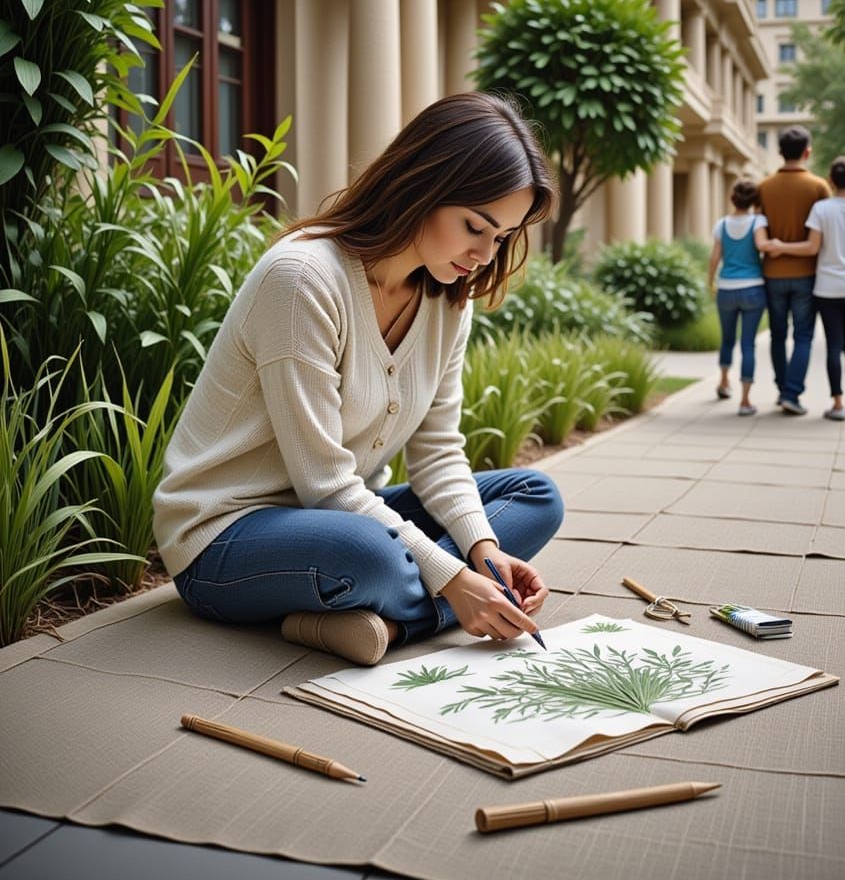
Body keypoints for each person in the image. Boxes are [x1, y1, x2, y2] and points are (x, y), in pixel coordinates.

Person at [153, 92, 565, 665]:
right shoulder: (303, 280)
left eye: (500, 238)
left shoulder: (449, 301)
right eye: (475, 226)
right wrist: (452, 579)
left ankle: (387, 626)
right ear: (424, 185)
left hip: (334, 517)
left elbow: (439, 452)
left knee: (535, 497)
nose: (483, 254)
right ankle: (420, 610)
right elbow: (325, 482)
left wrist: (485, 555)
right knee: (373, 553)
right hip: (225, 537)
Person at [763, 155, 845, 420]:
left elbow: (812, 247)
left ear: (830, 180)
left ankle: (837, 404)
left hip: (827, 288)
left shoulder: (821, 209)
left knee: (833, 347)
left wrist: (780, 247)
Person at [758, 126, 831, 415]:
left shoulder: (763, 187)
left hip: (772, 273)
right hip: (806, 273)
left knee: (777, 334)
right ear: (807, 152)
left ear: (779, 151)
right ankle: (792, 393)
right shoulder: (818, 187)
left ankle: (782, 390)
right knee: (803, 336)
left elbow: (758, 229)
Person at [707, 179, 770, 416]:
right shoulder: (758, 222)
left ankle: (724, 382)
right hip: (753, 287)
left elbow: (714, 258)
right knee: (748, 344)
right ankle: (745, 400)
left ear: (733, 198)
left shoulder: (721, 224)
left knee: (727, 339)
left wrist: (710, 281)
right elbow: (763, 247)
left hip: (727, 288)